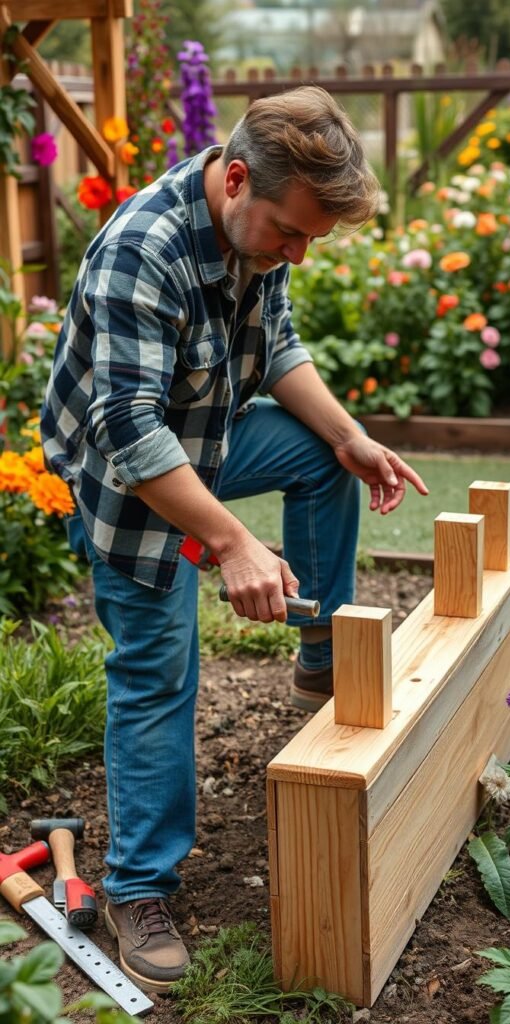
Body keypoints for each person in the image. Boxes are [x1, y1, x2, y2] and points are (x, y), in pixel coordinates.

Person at [41, 85, 428, 994]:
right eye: (289, 235)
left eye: (306, 241)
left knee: (323, 458)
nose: (295, 254)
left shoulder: (261, 222)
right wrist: (231, 545)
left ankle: (321, 650)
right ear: (236, 178)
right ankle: (139, 886)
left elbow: (279, 347)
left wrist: (346, 436)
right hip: (129, 474)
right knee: (158, 665)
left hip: (206, 432)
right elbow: (133, 437)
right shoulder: (143, 250)